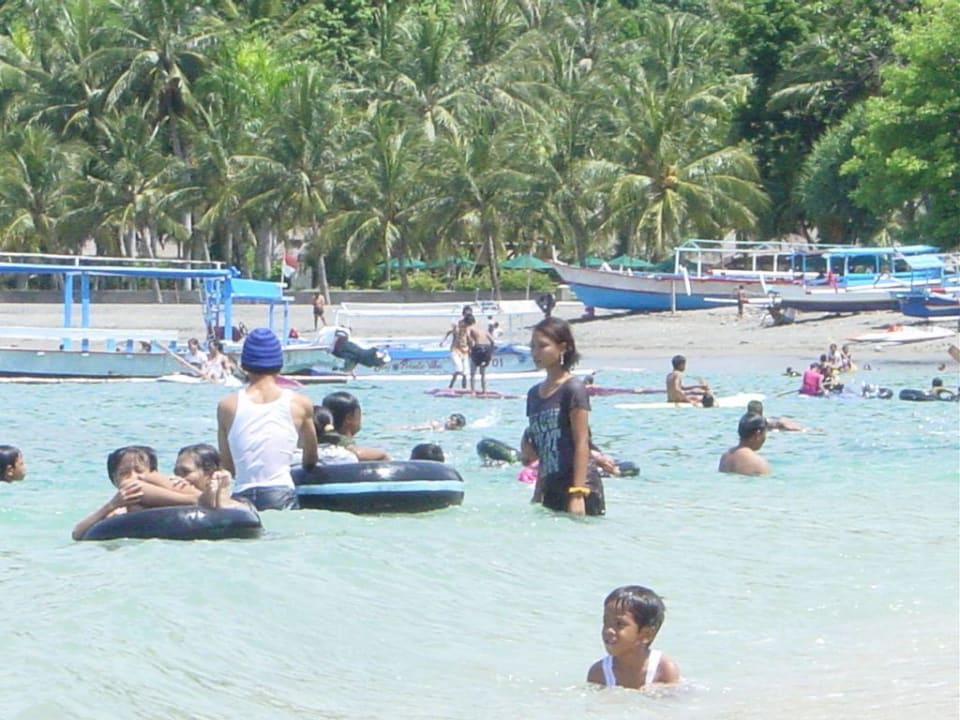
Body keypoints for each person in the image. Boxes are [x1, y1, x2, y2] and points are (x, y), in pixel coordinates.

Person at [217, 327, 318, 510]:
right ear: (279, 364)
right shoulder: (300, 404)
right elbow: (310, 459)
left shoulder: (227, 406)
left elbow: (228, 466)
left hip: (242, 496)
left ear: (244, 365)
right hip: (280, 494)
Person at [525, 317, 604, 516]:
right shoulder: (534, 394)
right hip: (551, 486)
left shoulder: (573, 388)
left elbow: (582, 442)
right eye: (532, 346)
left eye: (542, 346)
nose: (536, 352)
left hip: (580, 486)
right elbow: (544, 448)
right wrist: (538, 490)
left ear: (562, 348)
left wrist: (577, 494)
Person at [71, 445, 202, 540]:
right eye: (124, 473)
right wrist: (111, 505)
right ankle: (198, 500)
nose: (134, 477)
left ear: (154, 472)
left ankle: (199, 500)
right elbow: (77, 534)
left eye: (139, 470)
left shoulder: (170, 486)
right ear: (114, 480)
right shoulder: (117, 509)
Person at [587, 585, 680, 689]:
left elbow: (673, 702)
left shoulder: (664, 668)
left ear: (646, 635)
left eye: (619, 624)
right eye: (606, 622)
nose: (608, 630)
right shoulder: (599, 672)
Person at [174, 443, 252, 510]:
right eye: (176, 473)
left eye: (185, 472)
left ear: (211, 473)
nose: (178, 478)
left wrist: (221, 491)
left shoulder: (242, 505)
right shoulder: (173, 501)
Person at [322, 391, 390, 461]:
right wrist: (383, 455)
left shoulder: (319, 439)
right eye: (359, 413)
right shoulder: (342, 443)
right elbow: (354, 453)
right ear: (349, 418)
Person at [440, 305, 472, 390]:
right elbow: (450, 332)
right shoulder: (458, 324)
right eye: (466, 314)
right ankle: (450, 386)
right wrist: (443, 341)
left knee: (465, 373)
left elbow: (470, 338)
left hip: (465, 350)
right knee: (459, 369)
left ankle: (464, 388)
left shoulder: (470, 324)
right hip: (455, 349)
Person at [466, 314, 496, 395]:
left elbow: (468, 337)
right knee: (483, 373)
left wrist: (470, 348)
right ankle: (484, 391)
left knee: (473, 373)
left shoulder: (469, 328)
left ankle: (472, 391)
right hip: (487, 348)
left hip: (478, 348)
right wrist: (491, 352)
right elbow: (493, 341)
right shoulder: (482, 329)